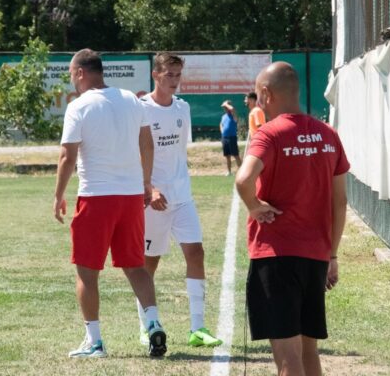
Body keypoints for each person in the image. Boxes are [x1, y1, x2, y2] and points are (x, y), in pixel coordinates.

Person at [235, 61, 350, 376]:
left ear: (266, 93)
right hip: (315, 256)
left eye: (259, 96)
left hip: (276, 257)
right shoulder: (328, 134)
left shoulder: (268, 134)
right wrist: (332, 255)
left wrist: (254, 206)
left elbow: (243, 180)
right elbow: (340, 202)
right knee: (308, 352)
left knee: (287, 357)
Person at [53, 48, 168, 358]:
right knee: (136, 266)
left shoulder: (78, 106)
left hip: (96, 197)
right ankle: (153, 324)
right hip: (130, 197)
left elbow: (67, 156)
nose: (71, 80)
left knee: (87, 271)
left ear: (80, 73)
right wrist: (145, 183)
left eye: (71, 74)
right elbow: (147, 143)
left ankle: (94, 341)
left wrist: (58, 195)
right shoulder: (131, 99)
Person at [136, 52, 223, 348]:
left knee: (196, 253)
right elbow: (136, 153)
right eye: (169, 75)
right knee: (149, 263)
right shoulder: (141, 109)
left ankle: (197, 328)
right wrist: (149, 188)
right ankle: (147, 325)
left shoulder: (182, 108)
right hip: (152, 201)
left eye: (178, 75)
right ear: (155, 75)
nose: (174, 81)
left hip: (182, 197)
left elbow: (179, 153)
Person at [220, 99, 242, 175]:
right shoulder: (223, 116)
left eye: (226, 107)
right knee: (227, 156)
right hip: (224, 138)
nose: (224, 109)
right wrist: (222, 131)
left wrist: (226, 104)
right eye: (224, 107)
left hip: (232, 138)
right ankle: (229, 172)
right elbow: (221, 124)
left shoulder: (233, 115)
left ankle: (241, 171)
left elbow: (232, 109)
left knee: (236, 155)